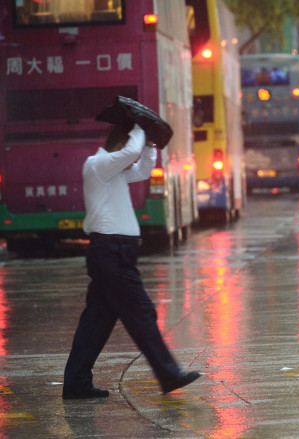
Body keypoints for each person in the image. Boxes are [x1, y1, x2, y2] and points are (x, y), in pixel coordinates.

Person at [62, 124, 202, 399]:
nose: (132, 152)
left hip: (117, 253)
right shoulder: (97, 164)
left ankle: (76, 382)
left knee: (97, 321)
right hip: (110, 253)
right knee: (142, 311)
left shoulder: (112, 172)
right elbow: (130, 155)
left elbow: (143, 170)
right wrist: (140, 129)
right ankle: (168, 373)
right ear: (120, 144)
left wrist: (149, 146)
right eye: (130, 145)